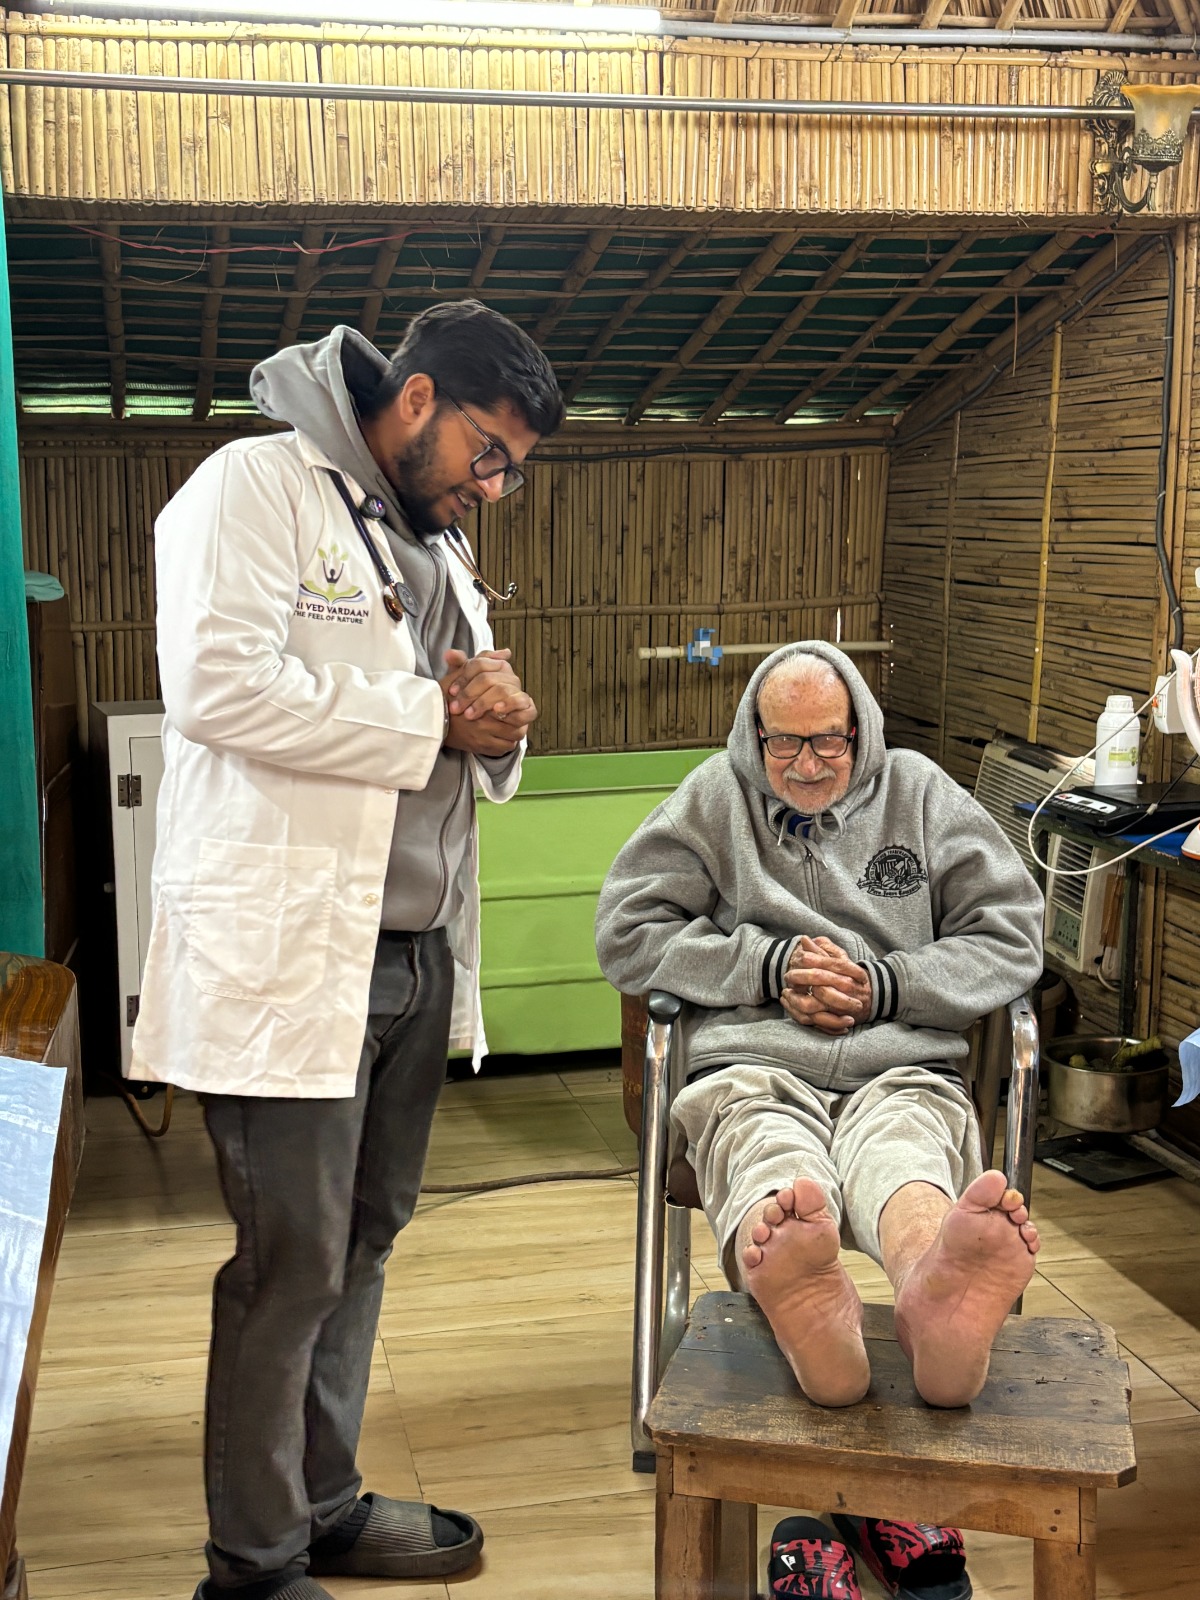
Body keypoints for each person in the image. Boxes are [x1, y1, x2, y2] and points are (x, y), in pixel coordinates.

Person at [128, 301, 564, 1600]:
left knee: (364, 1241)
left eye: (514, 473)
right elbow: (215, 686)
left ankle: (323, 1500)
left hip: (413, 956)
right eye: (490, 455)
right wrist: (434, 712)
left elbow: (458, 717)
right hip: (292, 958)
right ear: (418, 399)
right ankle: (253, 1565)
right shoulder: (253, 487)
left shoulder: (426, 544)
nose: (494, 490)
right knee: (291, 1263)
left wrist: (500, 712)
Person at [595, 641, 1045, 1415]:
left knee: (903, 1146)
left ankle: (931, 1288)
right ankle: (807, 1289)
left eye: (828, 739)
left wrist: (888, 984)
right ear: (754, 733)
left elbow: (1011, 934)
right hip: (754, 1060)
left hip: (898, 1059)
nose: (806, 764)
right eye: (784, 742)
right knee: (765, 1145)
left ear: (861, 728)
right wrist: (764, 968)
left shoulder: (921, 794)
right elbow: (627, 931)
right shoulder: (714, 798)